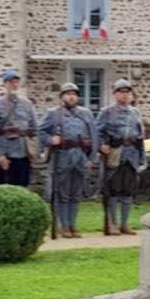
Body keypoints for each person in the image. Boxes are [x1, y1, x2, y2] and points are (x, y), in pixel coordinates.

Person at [39, 82, 99, 237]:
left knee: (76, 194)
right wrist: (51, 140)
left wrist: (91, 157)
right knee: (62, 194)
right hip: (62, 157)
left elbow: (93, 136)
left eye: (74, 94)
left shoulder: (86, 113)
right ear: (62, 97)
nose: (71, 97)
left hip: (80, 157)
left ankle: (73, 225)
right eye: (68, 94)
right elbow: (40, 131)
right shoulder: (54, 113)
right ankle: (64, 226)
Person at [97, 79, 146, 235]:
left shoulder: (135, 112)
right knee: (112, 190)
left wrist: (141, 156)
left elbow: (140, 136)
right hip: (114, 154)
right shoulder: (107, 112)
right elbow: (97, 131)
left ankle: (125, 223)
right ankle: (112, 223)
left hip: (131, 154)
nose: (125, 95)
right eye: (121, 92)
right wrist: (101, 145)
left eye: (127, 92)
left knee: (128, 191)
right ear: (115, 94)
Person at [0, 69, 38, 187]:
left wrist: (34, 151)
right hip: (5, 153)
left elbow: (35, 129)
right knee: (1, 190)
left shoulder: (27, 104)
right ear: (5, 84)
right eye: (10, 82)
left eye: (16, 82)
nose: (14, 85)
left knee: (22, 188)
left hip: (23, 152)